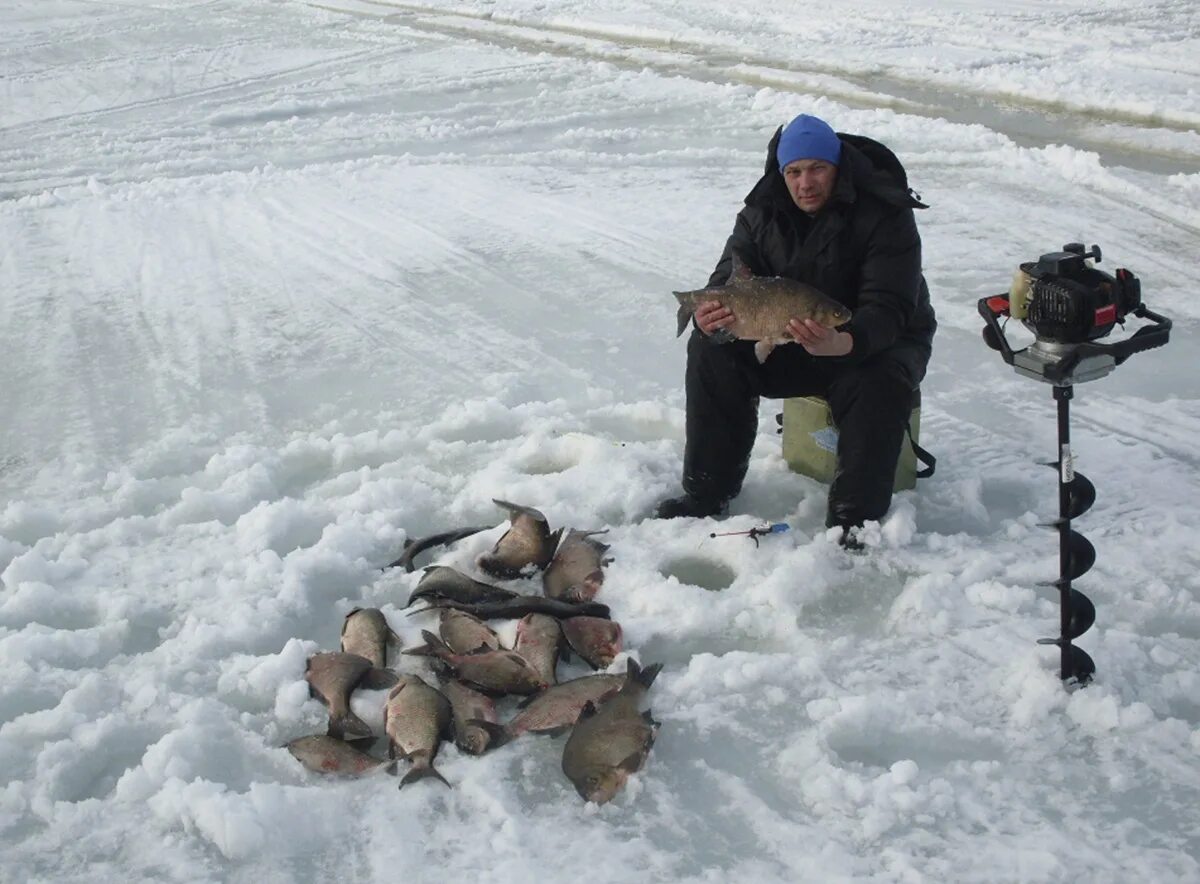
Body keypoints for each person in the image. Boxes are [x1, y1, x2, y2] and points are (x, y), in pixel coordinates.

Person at [655, 113, 936, 544]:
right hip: (789, 339)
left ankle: (853, 519)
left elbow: (892, 306)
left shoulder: (885, 211)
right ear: (782, 174)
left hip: (875, 339)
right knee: (711, 348)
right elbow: (728, 278)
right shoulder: (758, 213)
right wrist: (707, 313)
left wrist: (846, 341)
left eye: (818, 169)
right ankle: (707, 492)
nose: (806, 183)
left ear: (838, 167)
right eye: (795, 172)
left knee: (879, 378)